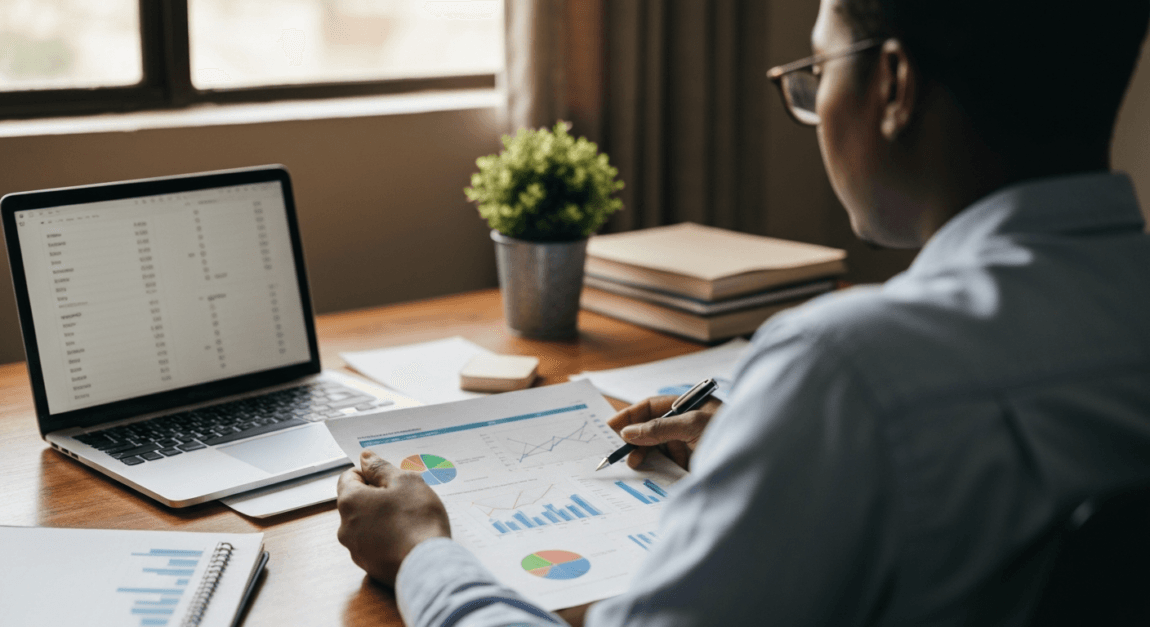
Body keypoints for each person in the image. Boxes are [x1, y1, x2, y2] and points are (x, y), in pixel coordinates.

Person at [336, 0, 1150, 624]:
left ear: (894, 85)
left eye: (819, 69)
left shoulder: (847, 371)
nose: (813, 105)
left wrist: (421, 553)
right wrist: (769, 447)